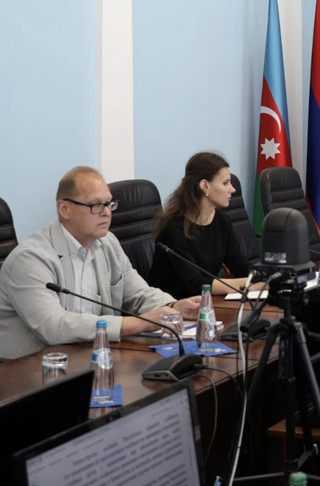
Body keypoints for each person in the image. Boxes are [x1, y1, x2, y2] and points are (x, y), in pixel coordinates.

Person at [0, 167, 200, 361]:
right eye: (95, 205)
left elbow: (137, 293)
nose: (106, 213)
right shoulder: (30, 259)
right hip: (30, 368)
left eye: (109, 203)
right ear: (64, 209)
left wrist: (172, 307)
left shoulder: (107, 243)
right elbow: (55, 326)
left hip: (91, 356)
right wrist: (138, 324)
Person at [148, 152, 256, 299]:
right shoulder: (173, 228)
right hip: (172, 305)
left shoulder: (222, 221)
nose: (232, 189)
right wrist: (249, 284)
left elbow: (239, 265)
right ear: (205, 186)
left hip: (205, 302)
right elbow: (196, 284)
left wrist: (263, 276)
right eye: (225, 183)